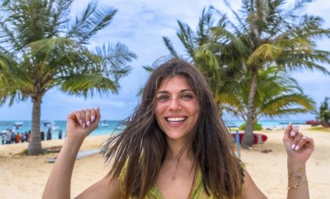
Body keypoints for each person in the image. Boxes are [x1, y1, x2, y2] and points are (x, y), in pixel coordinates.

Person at [43, 59, 314, 199]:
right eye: (163, 97)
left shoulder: (225, 172)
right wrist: (73, 141)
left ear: (201, 105)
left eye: (186, 95)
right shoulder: (135, 172)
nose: (174, 105)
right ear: (153, 107)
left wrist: (296, 164)